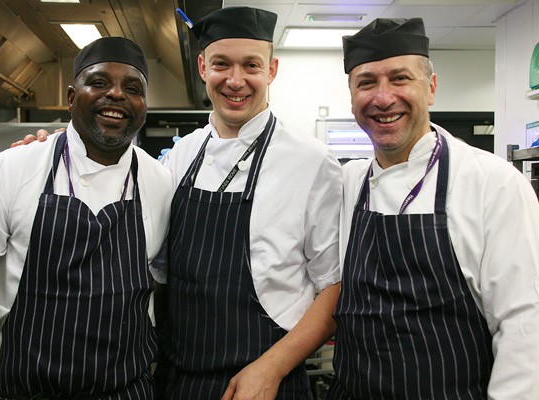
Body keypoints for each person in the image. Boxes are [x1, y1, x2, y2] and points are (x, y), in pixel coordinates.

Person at [0, 36, 174, 400]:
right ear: (72, 98)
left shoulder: (162, 183)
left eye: (133, 88)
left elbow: (163, 291)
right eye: (99, 82)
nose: (117, 95)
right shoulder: (6, 172)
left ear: (143, 105)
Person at [328, 17, 539, 399]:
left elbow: (526, 325)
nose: (382, 97)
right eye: (366, 82)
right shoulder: (348, 184)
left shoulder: (492, 183)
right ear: (352, 95)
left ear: (432, 88)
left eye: (400, 78)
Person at [153, 6, 342, 400]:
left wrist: (271, 368)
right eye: (222, 64)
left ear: (271, 70)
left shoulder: (310, 161)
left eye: (251, 65)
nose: (235, 80)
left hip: (270, 381)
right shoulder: (179, 157)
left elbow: (334, 287)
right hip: (177, 380)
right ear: (203, 67)